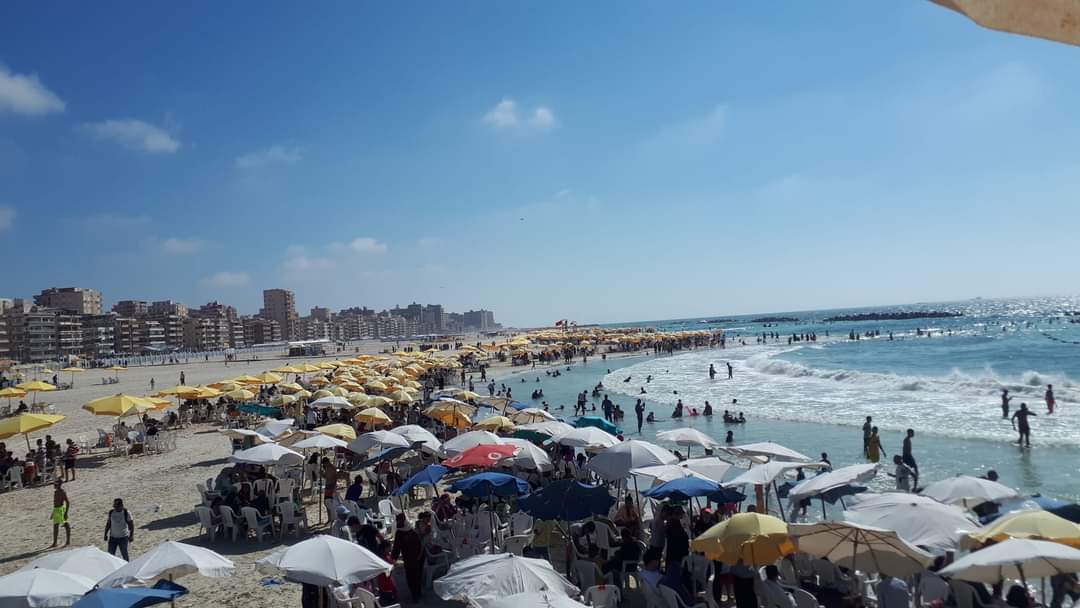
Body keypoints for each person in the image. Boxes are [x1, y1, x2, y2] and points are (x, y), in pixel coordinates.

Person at [391, 513, 424, 602]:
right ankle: (415, 595)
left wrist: (419, 556)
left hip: (416, 557)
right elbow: (396, 547)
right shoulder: (402, 532)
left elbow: (419, 544)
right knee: (412, 577)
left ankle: (417, 594)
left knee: (414, 577)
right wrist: (393, 558)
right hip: (409, 558)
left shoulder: (410, 531)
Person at [51, 480, 71, 547]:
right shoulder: (56, 492)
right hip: (56, 510)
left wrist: (66, 512)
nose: (54, 485)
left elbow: (67, 502)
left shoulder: (62, 492)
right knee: (55, 526)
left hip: (60, 509)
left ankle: (68, 541)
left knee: (65, 524)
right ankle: (55, 542)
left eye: (55, 484)